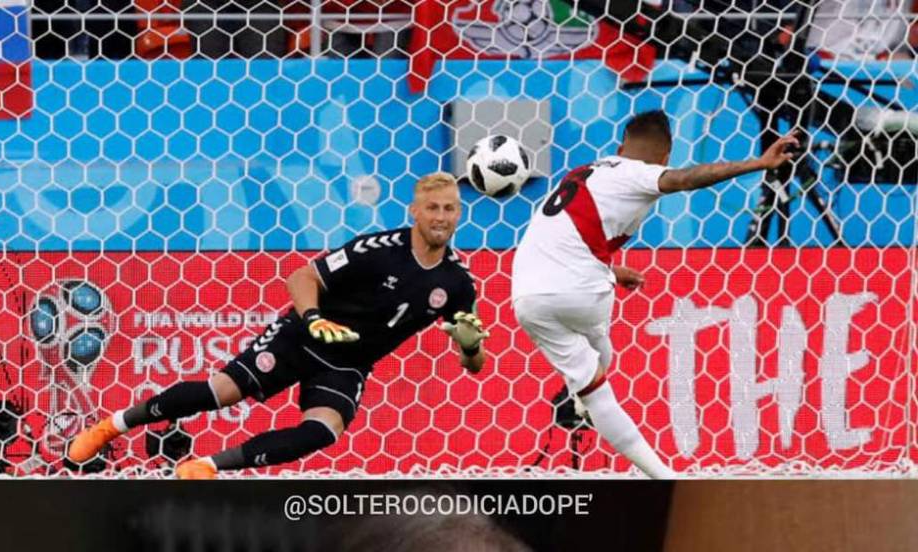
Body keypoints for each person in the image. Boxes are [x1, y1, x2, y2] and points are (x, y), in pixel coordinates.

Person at [68, 173, 489, 478]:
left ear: (459, 213)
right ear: (414, 211)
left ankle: (206, 467)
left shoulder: (457, 283)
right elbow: (302, 277)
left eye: (449, 208)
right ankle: (111, 427)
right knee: (222, 391)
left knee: (323, 431)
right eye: (432, 207)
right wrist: (313, 318)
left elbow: (474, 364)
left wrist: (471, 348)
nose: (441, 217)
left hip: (348, 364)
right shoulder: (377, 249)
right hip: (303, 336)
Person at [511, 110, 798, 478]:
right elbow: (685, 179)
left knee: (594, 368)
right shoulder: (639, 173)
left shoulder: (584, 172)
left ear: (620, 147)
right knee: (599, 375)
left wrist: (611, 271)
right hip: (580, 292)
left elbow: (564, 241)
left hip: (527, 295)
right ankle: (662, 474)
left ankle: (580, 399)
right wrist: (758, 163)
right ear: (665, 157)